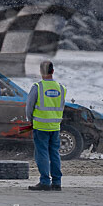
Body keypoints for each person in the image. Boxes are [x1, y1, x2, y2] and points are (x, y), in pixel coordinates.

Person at [25, 60, 66, 191]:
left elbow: (29, 107)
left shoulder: (37, 87)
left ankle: (44, 182)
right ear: (53, 71)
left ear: (40, 72)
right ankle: (57, 182)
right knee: (54, 153)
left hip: (40, 127)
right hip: (55, 127)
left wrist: (30, 120)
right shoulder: (61, 88)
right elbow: (61, 106)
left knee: (42, 153)